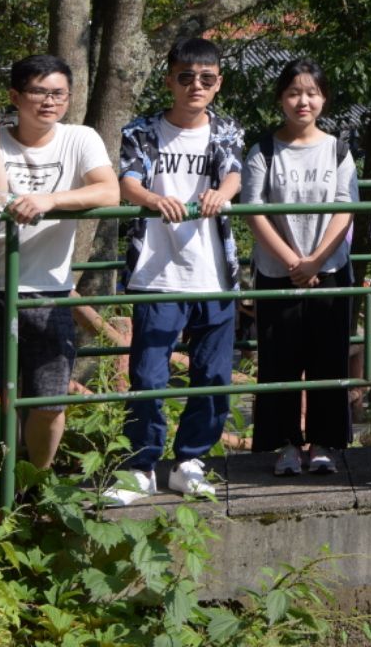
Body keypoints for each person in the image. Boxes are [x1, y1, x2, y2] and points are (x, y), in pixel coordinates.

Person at [0, 55, 116, 471]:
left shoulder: (80, 138)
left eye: (58, 94)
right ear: (16, 96)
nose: (49, 102)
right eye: (38, 92)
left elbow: (108, 192)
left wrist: (51, 200)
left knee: (50, 401)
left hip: (49, 289)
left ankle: (33, 484)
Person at [111, 37, 246, 503]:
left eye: (206, 79)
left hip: (213, 273)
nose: (196, 85)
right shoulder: (142, 130)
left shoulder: (226, 130)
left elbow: (233, 174)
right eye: (186, 76)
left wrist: (222, 194)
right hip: (155, 271)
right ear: (170, 79)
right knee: (149, 375)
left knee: (213, 376)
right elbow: (128, 181)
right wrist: (153, 199)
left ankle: (190, 460)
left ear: (218, 84)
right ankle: (140, 465)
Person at [242, 58, 357, 477]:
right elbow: (253, 211)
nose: (302, 101)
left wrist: (316, 261)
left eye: (311, 92)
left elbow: (346, 208)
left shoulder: (339, 149)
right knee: (279, 361)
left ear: (324, 98)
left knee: (329, 359)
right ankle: (286, 444)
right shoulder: (264, 151)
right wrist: (295, 262)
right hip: (278, 272)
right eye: (293, 93)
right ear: (280, 99)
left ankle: (325, 442)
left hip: (329, 272)